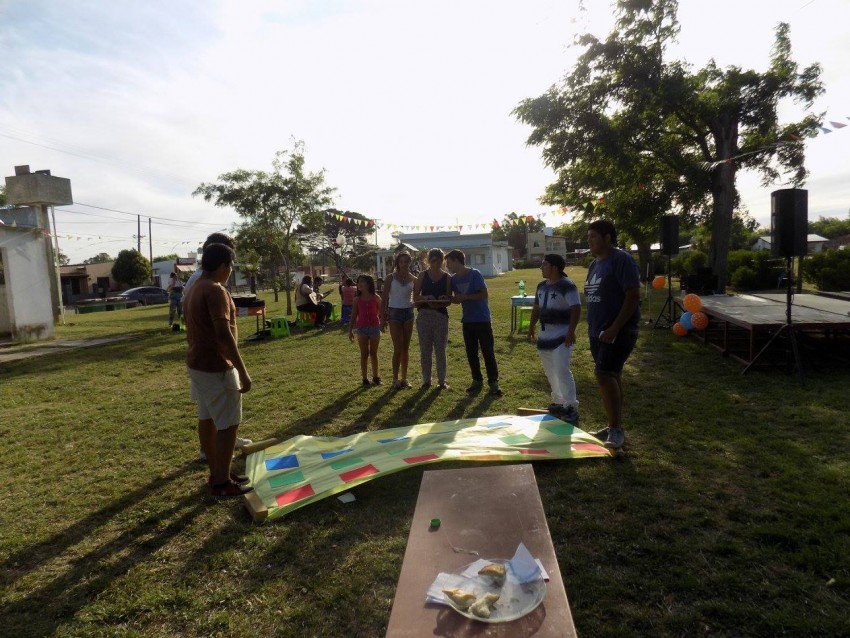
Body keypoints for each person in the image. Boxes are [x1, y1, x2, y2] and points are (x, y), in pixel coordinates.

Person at [183, 243, 253, 497]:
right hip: (215, 366)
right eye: (231, 266)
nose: (230, 271)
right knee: (228, 424)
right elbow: (223, 333)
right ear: (223, 266)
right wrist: (242, 370)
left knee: (208, 418)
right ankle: (222, 482)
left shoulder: (194, 288)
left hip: (197, 364)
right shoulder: (215, 290)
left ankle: (217, 472)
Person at [585, 220, 641, 450]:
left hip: (618, 330)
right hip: (597, 331)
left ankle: (616, 430)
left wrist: (615, 327)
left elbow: (633, 295)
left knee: (604, 374)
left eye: (594, 237)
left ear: (608, 238)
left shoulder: (621, 260)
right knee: (612, 374)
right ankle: (612, 425)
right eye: (588, 237)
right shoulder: (594, 265)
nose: (589, 241)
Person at [527, 254, 581, 422]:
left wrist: (571, 332)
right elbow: (536, 308)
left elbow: (576, 308)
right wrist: (531, 327)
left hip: (561, 337)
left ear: (555, 267)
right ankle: (558, 401)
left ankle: (571, 406)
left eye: (544, 265)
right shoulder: (541, 286)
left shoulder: (567, 285)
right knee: (550, 372)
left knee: (562, 370)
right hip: (545, 337)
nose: (541, 268)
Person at [446, 249, 502, 396]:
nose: (447, 265)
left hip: (482, 319)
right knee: (471, 353)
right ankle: (477, 380)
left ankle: (493, 382)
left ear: (457, 261)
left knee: (487, 352)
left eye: (449, 262)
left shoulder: (475, 274)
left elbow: (484, 294)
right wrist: (452, 299)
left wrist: (465, 297)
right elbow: (453, 298)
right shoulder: (453, 279)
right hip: (467, 321)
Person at [413, 248, 452, 390]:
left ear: (442, 261)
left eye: (439, 260)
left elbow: (449, 299)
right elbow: (415, 297)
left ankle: (442, 381)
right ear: (428, 261)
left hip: (441, 316)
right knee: (425, 349)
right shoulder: (422, 275)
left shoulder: (447, 278)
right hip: (424, 315)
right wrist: (426, 298)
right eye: (433, 260)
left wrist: (444, 298)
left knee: (440, 349)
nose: (436, 264)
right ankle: (426, 380)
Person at [382, 251, 416, 389]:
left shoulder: (414, 278)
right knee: (398, 348)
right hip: (394, 313)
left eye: (406, 261)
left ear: (410, 263)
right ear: (397, 263)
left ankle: (404, 378)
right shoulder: (390, 278)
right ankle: (395, 379)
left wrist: (415, 303)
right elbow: (384, 298)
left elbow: (417, 296)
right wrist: (382, 317)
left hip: (408, 313)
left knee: (406, 349)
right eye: (401, 261)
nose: (404, 264)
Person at [348, 274, 382, 386]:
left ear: (368, 284)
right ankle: (364, 378)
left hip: (374, 328)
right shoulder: (357, 300)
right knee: (364, 354)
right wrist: (350, 330)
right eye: (358, 282)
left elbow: (381, 313)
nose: (359, 284)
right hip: (361, 328)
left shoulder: (376, 297)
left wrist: (383, 324)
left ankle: (376, 377)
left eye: (362, 281)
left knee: (373, 353)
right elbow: (353, 315)